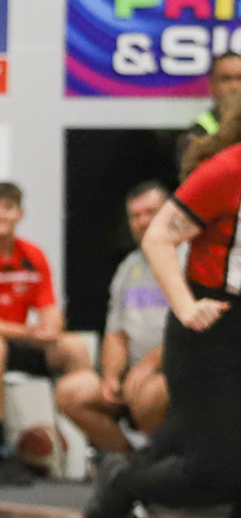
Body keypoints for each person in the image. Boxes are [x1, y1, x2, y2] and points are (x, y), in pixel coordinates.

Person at [85, 137, 241, 518]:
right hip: (212, 329)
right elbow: (157, 238)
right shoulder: (228, 169)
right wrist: (186, 305)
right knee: (217, 474)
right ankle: (123, 483)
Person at [0, 181, 98, 484]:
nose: (0, 214)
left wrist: (51, 328)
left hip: (18, 340)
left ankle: (93, 449)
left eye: (8, 208)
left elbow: (50, 308)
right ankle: (0, 449)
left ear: (20, 213)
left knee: (74, 346)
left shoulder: (32, 254)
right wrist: (26, 332)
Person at [55, 182, 171, 453]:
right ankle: (129, 462)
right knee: (71, 393)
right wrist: (111, 377)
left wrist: (147, 367)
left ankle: (162, 461)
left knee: (147, 396)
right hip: (134, 374)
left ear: (170, 212)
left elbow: (194, 330)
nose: (143, 221)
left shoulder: (192, 258)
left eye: (151, 212)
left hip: (174, 370)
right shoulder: (128, 268)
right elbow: (116, 334)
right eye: (135, 216)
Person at [179, 51, 241, 181]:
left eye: (240, 78)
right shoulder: (196, 134)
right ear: (212, 85)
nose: (235, 86)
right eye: (226, 79)